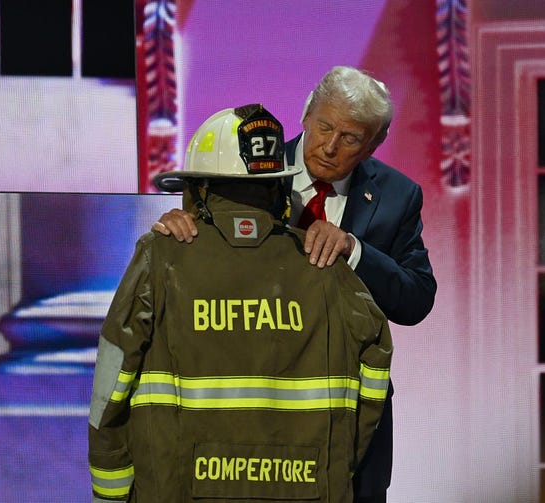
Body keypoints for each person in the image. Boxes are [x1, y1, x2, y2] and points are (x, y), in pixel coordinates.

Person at [152, 66, 437, 502]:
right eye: (324, 126)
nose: (329, 146)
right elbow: (202, 246)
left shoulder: (397, 196)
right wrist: (180, 224)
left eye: (350, 138)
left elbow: (416, 299)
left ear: (374, 144)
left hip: (349, 411)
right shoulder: (243, 169)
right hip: (250, 403)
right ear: (305, 114)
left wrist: (354, 250)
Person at [88, 104, 394, 502]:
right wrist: (338, 464)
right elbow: (376, 365)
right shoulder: (326, 265)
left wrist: (111, 491)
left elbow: (109, 390)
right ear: (278, 189)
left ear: (200, 187)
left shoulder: (161, 259)